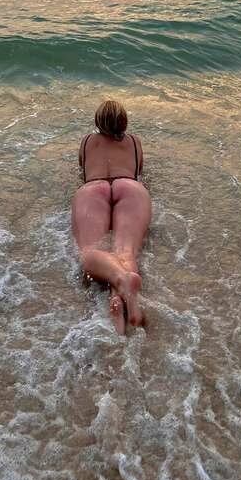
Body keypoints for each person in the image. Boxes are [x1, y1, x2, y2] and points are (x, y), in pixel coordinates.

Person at [72, 100, 152, 334]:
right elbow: (139, 170)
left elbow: (82, 169)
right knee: (126, 251)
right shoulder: (134, 142)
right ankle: (120, 293)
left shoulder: (87, 141)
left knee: (90, 251)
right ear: (124, 121)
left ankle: (121, 281)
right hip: (130, 187)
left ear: (98, 121)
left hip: (93, 188)